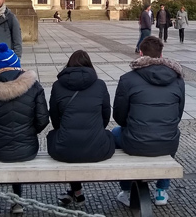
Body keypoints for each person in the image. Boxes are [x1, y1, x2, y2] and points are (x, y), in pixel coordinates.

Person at [114, 36, 185, 207]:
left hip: (134, 142)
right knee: (171, 131)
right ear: (161, 55)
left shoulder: (127, 79)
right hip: (167, 142)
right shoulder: (177, 79)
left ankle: (127, 189)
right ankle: (162, 190)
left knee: (115, 133)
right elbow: (178, 115)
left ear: (140, 53)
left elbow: (119, 116)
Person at [0, 43, 48, 215]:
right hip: (29, 149)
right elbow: (43, 119)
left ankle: (16, 202)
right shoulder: (34, 86)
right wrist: (30, 132)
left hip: (0, 151)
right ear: (17, 65)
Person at [47, 50, 114, 208]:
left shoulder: (57, 86)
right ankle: (77, 192)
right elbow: (106, 115)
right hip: (97, 149)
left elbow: (54, 117)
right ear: (90, 66)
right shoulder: (100, 85)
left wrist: (63, 129)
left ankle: (77, 191)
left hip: (65, 149)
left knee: (64, 139)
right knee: (107, 136)